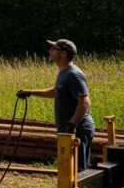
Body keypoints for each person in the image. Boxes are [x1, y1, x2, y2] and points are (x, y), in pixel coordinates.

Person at [17, 39, 96, 174]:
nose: (50, 51)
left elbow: (85, 102)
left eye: (54, 49)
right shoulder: (63, 73)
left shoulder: (73, 74)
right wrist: (30, 92)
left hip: (79, 129)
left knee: (79, 170)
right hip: (71, 128)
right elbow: (55, 92)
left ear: (64, 53)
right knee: (72, 169)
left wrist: (72, 124)